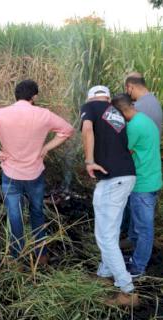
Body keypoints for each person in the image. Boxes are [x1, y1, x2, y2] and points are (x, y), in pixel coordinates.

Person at [0, 80, 74, 264]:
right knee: (37, 211)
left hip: (11, 173)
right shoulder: (44, 114)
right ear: (34, 97)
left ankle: (16, 257)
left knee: (14, 214)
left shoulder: (0, 114)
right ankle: (41, 254)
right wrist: (47, 147)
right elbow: (67, 130)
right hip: (35, 173)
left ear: (16, 95)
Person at [80, 85, 138, 306]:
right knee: (109, 231)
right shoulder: (115, 112)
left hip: (113, 179)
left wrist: (89, 161)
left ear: (91, 98)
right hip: (125, 176)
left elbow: (87, 130)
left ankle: (127, 290)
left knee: (104, 236)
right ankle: (104, 273)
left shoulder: (91, 107)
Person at [112, 93, 162, 278]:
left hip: (143, 183)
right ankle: (135, 253)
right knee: (139, 223)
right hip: (151, 177)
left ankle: (138, 266)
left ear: (121, 111)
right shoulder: (145, 120)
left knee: (144, 228)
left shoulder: (133, 127)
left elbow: (124, 152)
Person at [121, 72, 162, 243]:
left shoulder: (139, 110)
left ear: (130, 86)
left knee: (138, 213)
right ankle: (132, 239)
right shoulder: (154, 102)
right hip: (151, 166)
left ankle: (138, 255)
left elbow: (127, 145)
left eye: (127, 89)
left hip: (141, 169)